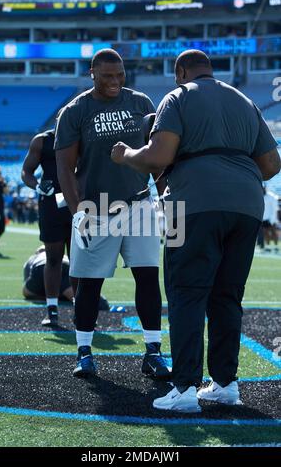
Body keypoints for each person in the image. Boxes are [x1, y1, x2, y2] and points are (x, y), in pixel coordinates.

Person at [111, 49, 280, 412]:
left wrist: (125, 154)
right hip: (247, 205)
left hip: (190, 203)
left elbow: (157, 157)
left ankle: (185, 388)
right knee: (227, 295)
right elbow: (271, 164)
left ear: (180, 72)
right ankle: (224, 384)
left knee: (186, 292)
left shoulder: (178, 96)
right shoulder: (244, 99)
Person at [55, 48, 170, 380]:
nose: (115, 81)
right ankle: (85, 353)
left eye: (120, 75)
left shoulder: (141, 103)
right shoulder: (75, 111)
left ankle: (153, 352)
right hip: (96, 207)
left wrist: (164, 199)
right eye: (107, 76)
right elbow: (65, 167)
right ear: (92, 73)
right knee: (89, 283)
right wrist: (78, 212)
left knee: (148, 277)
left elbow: (157, 157)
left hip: (138, 204)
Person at [21, 129, 73, 326]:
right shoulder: (43, 140)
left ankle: (81, 309)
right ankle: (51, 309)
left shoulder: (84, 135)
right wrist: (37, 185)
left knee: (79, 260)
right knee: (53, 258)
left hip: (79, 202)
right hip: (51, 204)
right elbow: (26, 171)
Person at [262, 186, 279, 252]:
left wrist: (272, 220)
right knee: (265, 233)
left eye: (263, 188)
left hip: (271, 219)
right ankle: (268, 247)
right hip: (264, 218)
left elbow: (275, 209)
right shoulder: (261, 196)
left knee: (273, 233)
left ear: (265, 188)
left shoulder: (272, 196)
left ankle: (276, 247)